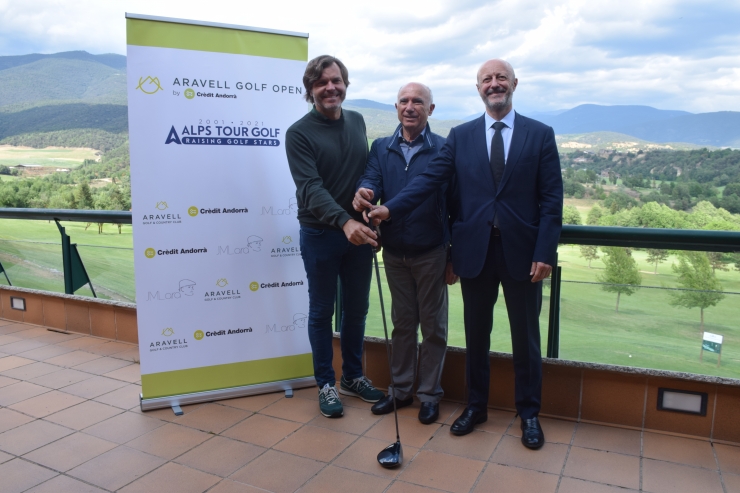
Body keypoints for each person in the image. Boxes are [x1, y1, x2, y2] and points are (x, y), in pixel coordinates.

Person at [368, 59, 563, 449]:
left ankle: (529, 413)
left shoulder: (540, 134)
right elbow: (429, 181)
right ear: (478, 88)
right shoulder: (462, 136)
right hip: (475, 253)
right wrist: (390, 209)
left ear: (514, 84)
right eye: (487, 79)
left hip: (524, 255)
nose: (494, 84)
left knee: (526, 337)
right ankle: (476, 407)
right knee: (476, 335)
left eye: (501, 78)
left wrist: (545, 251)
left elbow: (551, 199)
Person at [285, 55, 384, 418]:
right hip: (321, 234)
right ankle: (326, 382)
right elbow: (310, 188)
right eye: (321, 82)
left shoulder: (357, 121)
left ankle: (353, 377)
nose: (330, 87)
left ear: (345, 84)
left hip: (358, 233)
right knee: (322, 311)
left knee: (357, 310)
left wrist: (368, 200)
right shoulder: (298, 133)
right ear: (310, 90)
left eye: (336, 80)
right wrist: (345, 222)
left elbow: (367, 172)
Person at [353, 82, 457, 425]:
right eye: (403, 101)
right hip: (394, 252)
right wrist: (365, 190)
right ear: (395, 108)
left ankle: (429, 395)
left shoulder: (444, 148)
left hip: (432, 252)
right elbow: (371, 178)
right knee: (402, 325)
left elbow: (456, 205)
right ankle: (399, 391)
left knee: (434, 328)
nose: (410, 107)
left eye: (418, 102)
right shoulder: (381, 146)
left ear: (431, 109)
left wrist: (453, 255)